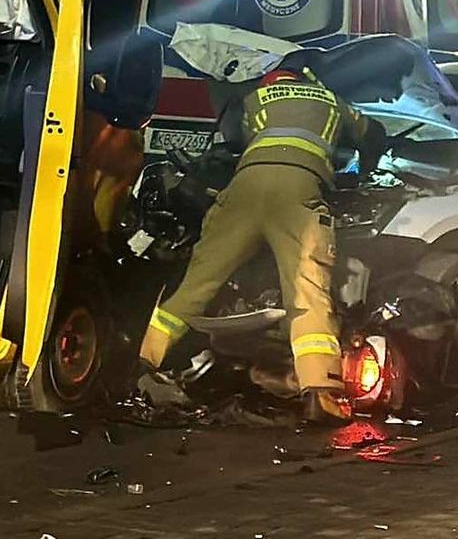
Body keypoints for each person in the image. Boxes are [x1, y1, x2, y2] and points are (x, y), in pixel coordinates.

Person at [136, 60, 386, 423]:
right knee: (307, 295)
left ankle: (144, 363)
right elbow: (370, 133)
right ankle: (321, 393)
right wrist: (365, 168)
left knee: (196, 285)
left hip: (244, 190)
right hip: (297, 192)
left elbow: (235, 141)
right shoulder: (331, 100)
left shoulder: (257, 98)